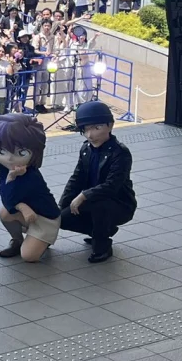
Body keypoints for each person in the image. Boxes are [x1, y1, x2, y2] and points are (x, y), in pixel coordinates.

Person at [57, 100, 136, 263]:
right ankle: (100, 230)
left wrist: (84, 196)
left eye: (96, 128)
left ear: (110, 126)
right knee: (62, 219)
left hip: (118, 204)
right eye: (85, 130)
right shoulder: (86, 149)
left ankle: (102, 246)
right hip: (91, 201)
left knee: (101, 205)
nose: (90, 135)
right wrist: (61, 205)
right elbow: (76, 178)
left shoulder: (120, 153)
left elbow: (112, 186)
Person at [0, 113, 60, 263]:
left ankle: (42, 241)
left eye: (21, 153)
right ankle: (17, 240)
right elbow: (7, 201)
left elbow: (10, 197)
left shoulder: (31, 175)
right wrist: (21, 204)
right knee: (5, 212)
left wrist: (14, 188)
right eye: (2, 152)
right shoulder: (6, 169)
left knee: (29, 256)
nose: (10, 158)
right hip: (27, 215)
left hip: (45, 218)